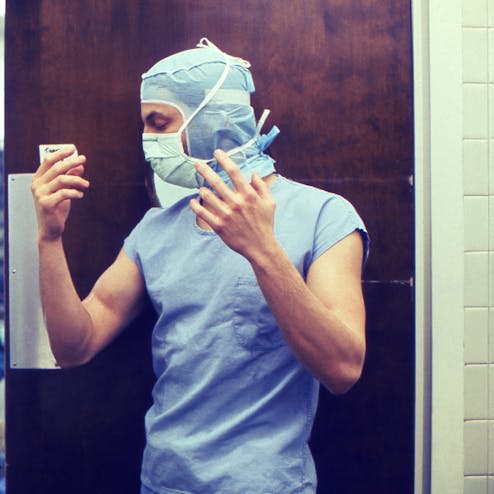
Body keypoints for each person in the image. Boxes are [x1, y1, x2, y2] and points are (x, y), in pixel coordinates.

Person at [30, 38, 368, 494]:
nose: (148, 140)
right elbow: (75, 347)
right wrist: (50, 238)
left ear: (211, 119)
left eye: (159, 123)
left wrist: (261, 250)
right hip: (164, 482)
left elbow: (343, 368)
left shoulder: (325, 216)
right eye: (145, 126)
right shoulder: (156, 230)